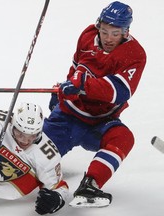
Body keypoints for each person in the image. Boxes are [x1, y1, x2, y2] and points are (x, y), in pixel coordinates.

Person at [44, 1, 146, 208]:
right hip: (68, 116)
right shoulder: (88, 35)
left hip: (101, 122)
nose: (108, 38)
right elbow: (75, 68)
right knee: (31, 162)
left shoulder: (135, 54)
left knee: (123, 138)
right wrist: (63, 90)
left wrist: (82, 85)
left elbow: (120, 91)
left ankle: (90, 185)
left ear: (126, 32)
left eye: (115, 33)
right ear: (98, 25)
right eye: (105, 31)